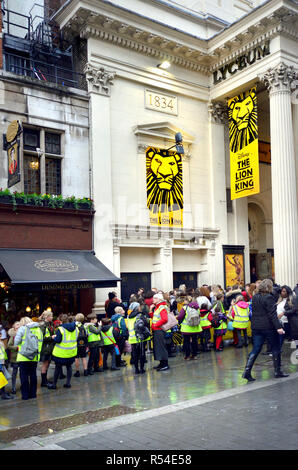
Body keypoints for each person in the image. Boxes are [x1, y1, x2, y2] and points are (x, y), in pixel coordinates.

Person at [242, 279, 288, 382]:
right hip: (268, 327)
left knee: (256, 349)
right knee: (276, 348)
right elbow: (272, 314)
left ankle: (247, 371)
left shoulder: (255, 297)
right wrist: (278, 327)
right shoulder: (269, 297)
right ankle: (277, 371)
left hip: (256, 327)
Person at [14, 317, 43, 400]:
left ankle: (25, 395)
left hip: (23, 356)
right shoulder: (38, 329)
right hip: (34, 356)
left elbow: (16, 342)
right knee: (33, 375)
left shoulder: (22, 329)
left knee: (24, 376)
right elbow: (40, 343)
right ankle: (33, 394)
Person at [47, 314, 78, 390]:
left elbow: (58, 340)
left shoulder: (61, 329)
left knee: (57, 368)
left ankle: (54, 384)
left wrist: (54, 337)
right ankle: (68, 383)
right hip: (71, 352)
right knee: (69, 367)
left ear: (61, 321)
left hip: (61, 353)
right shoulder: (76, 328)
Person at [127, 302, 150, 374]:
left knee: (135, 354)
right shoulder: (140, 315)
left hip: (132, 338)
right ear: (137, 308)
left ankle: (136, 369)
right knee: (142, 354)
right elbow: (146, 323)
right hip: (140, 337)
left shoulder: (128, 316)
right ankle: (142, 369)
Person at [150, 293, 169, 371]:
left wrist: (155, 325)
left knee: (161, 347)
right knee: (158, 347)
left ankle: (165, 364)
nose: (153, 300)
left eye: (155, 298)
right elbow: (155, 317)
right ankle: (162, 363)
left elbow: (164, 319)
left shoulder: (161, 307)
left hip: (159, 330)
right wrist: (151, 310)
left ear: (159, 299)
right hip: (157, 330)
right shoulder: (158, 307)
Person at [38, 311, 55, 387]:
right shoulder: (42, 326)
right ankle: (44, 382)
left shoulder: (50, 324)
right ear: (46, 317)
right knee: (45, 364)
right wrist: (51, 337)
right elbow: (41, 338)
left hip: (49, 347)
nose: (52, 317)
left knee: (47, 363)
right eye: (51, 316)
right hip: (45, 348)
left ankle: (45, 380)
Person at [276, 286, 293, 351]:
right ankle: (277, 351)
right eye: (282, 291)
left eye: (284, 291)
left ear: (288, 292)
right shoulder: (279, 300)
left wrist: (283, 313)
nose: (282, 293)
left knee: (295, 338)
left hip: (289, 323)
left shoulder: (291, 300)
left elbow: (293, 310)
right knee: (280, 338)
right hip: (280, 322)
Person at [7, 321, 21, 394]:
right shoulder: (13, 336)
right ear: (14, 327)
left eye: (19, 324)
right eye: (17, 325)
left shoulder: (23, 334)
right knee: (14, 373)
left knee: (22, 372)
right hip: (15, 357)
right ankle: (13, 387)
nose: (18, 326)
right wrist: (17, 348)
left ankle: (23, 385)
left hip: (22, 356)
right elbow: (9, 346)